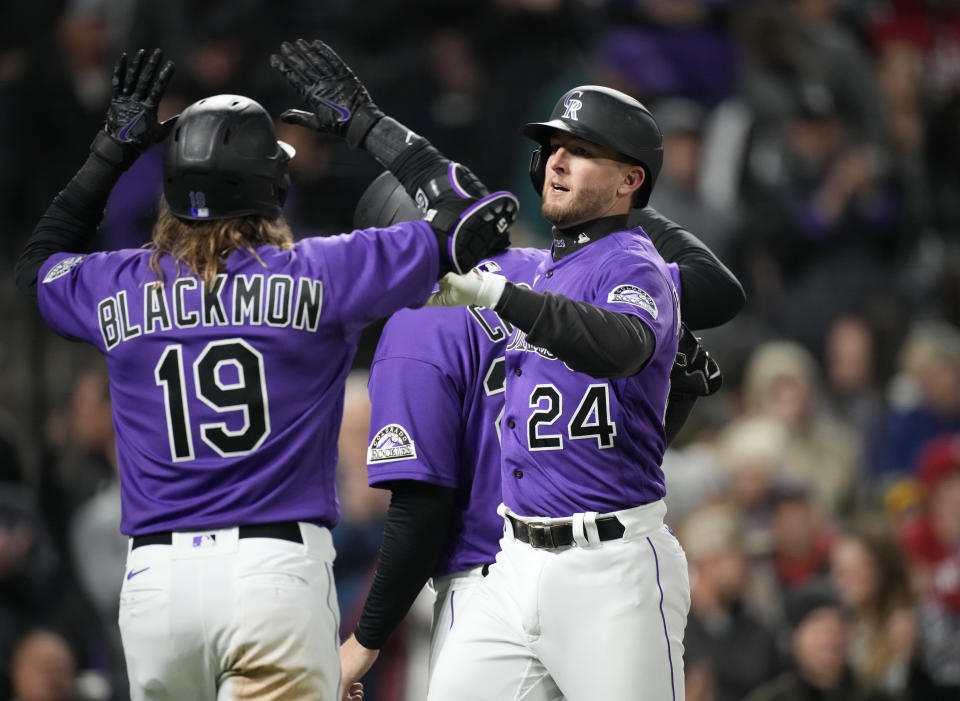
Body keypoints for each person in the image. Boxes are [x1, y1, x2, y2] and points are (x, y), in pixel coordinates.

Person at [14, 43, 517, 700]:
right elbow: (473, 218)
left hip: (155, 584)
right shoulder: (320, 271)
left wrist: (112, 149)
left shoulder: (117, 283)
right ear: (270, 187)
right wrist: (366, 123)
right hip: (272, 571)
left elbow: (37, 266)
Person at [335, 166, 742, 699]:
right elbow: (711, 302)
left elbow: (421, 507)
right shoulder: (574, 268)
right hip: (603, 560)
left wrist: (364, 641)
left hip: (487, 584)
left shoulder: (417, 323)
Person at [422, 85, 693, 699]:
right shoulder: (547, 265)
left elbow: (623, 345)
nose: (557, 161)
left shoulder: (633, 263)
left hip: (611, 566)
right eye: (553, 148)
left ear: (630, 180)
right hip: (512, 561)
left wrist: (497, 295)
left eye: (582, 150)